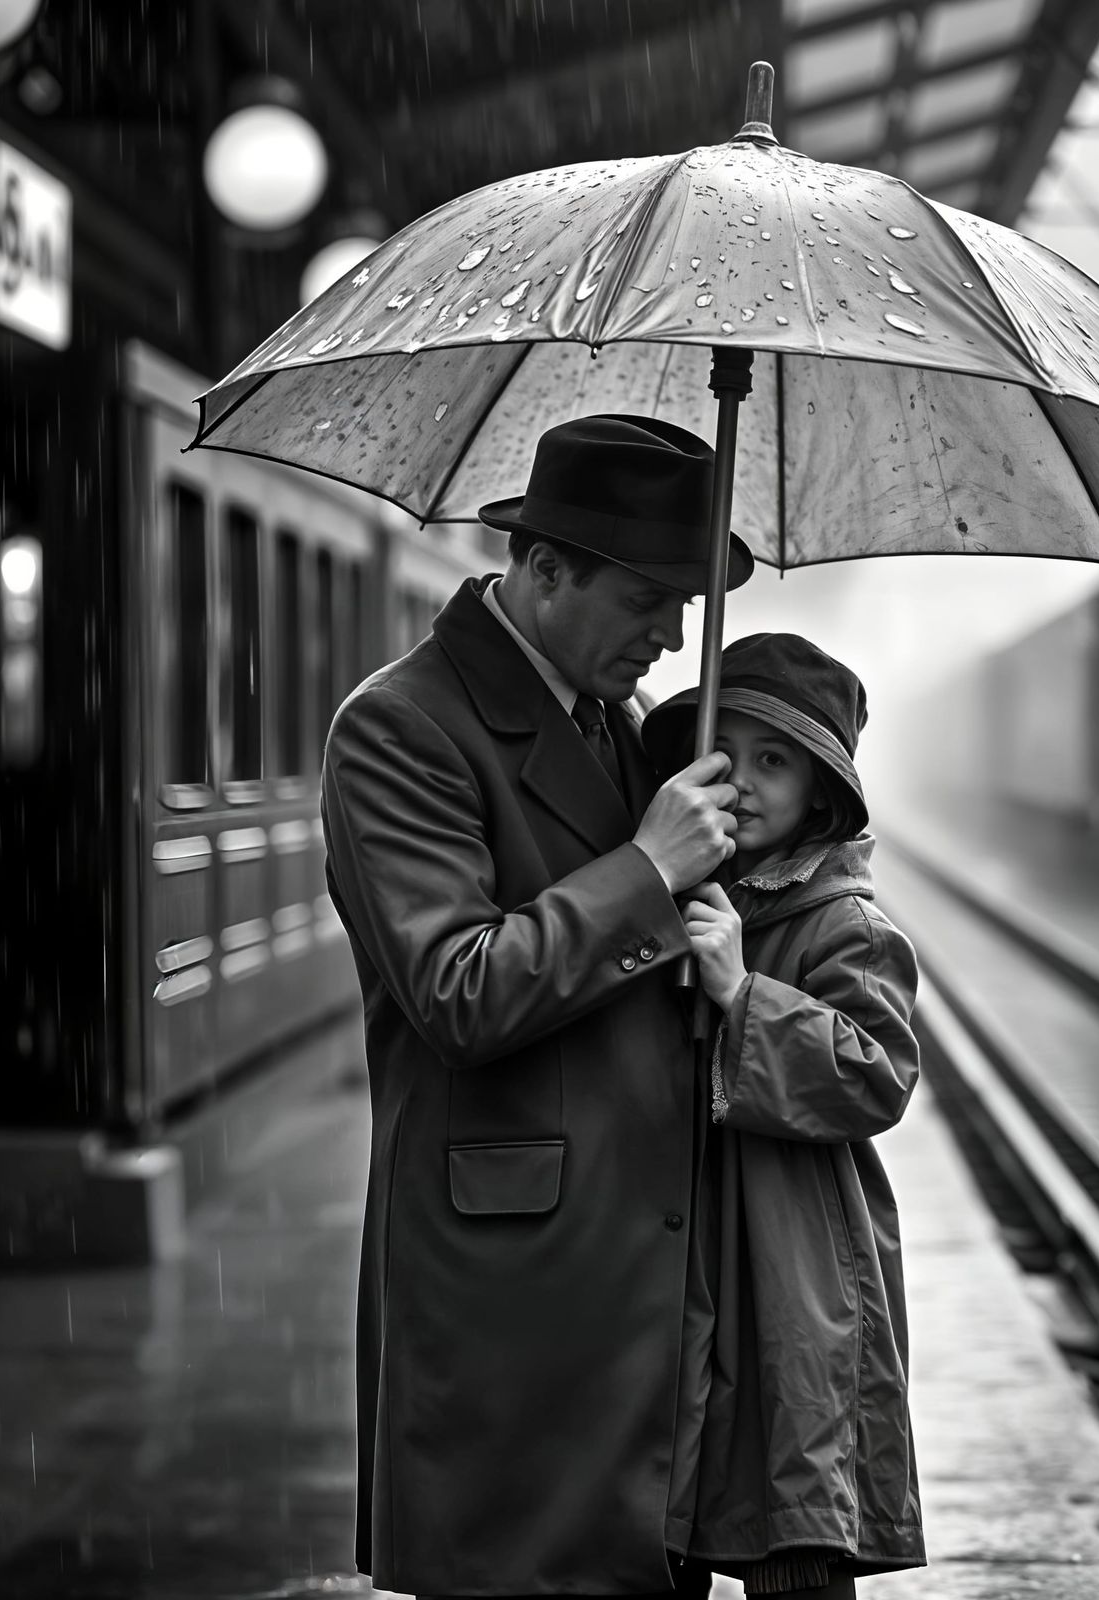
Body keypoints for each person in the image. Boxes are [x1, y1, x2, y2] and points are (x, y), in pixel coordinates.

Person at [320, 414, 756, 1600]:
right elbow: (456, 990)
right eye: (649, 599)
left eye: (685, 603)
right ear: (544, 567)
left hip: (642, 1272)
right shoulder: (400, 726)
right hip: (516, 1293)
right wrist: (648, 870)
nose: (671, 635)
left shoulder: (615, 727)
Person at [642, 634, 926, 1600]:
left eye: (777, 761)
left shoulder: (845, 924)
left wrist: (742, 994)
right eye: (727, 752)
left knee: (791, 1515)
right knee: (660, 1508)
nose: (748, 781)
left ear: (822, 794)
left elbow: (872, 1075)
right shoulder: (665, 889)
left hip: (788, 1268)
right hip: (675, 1254)